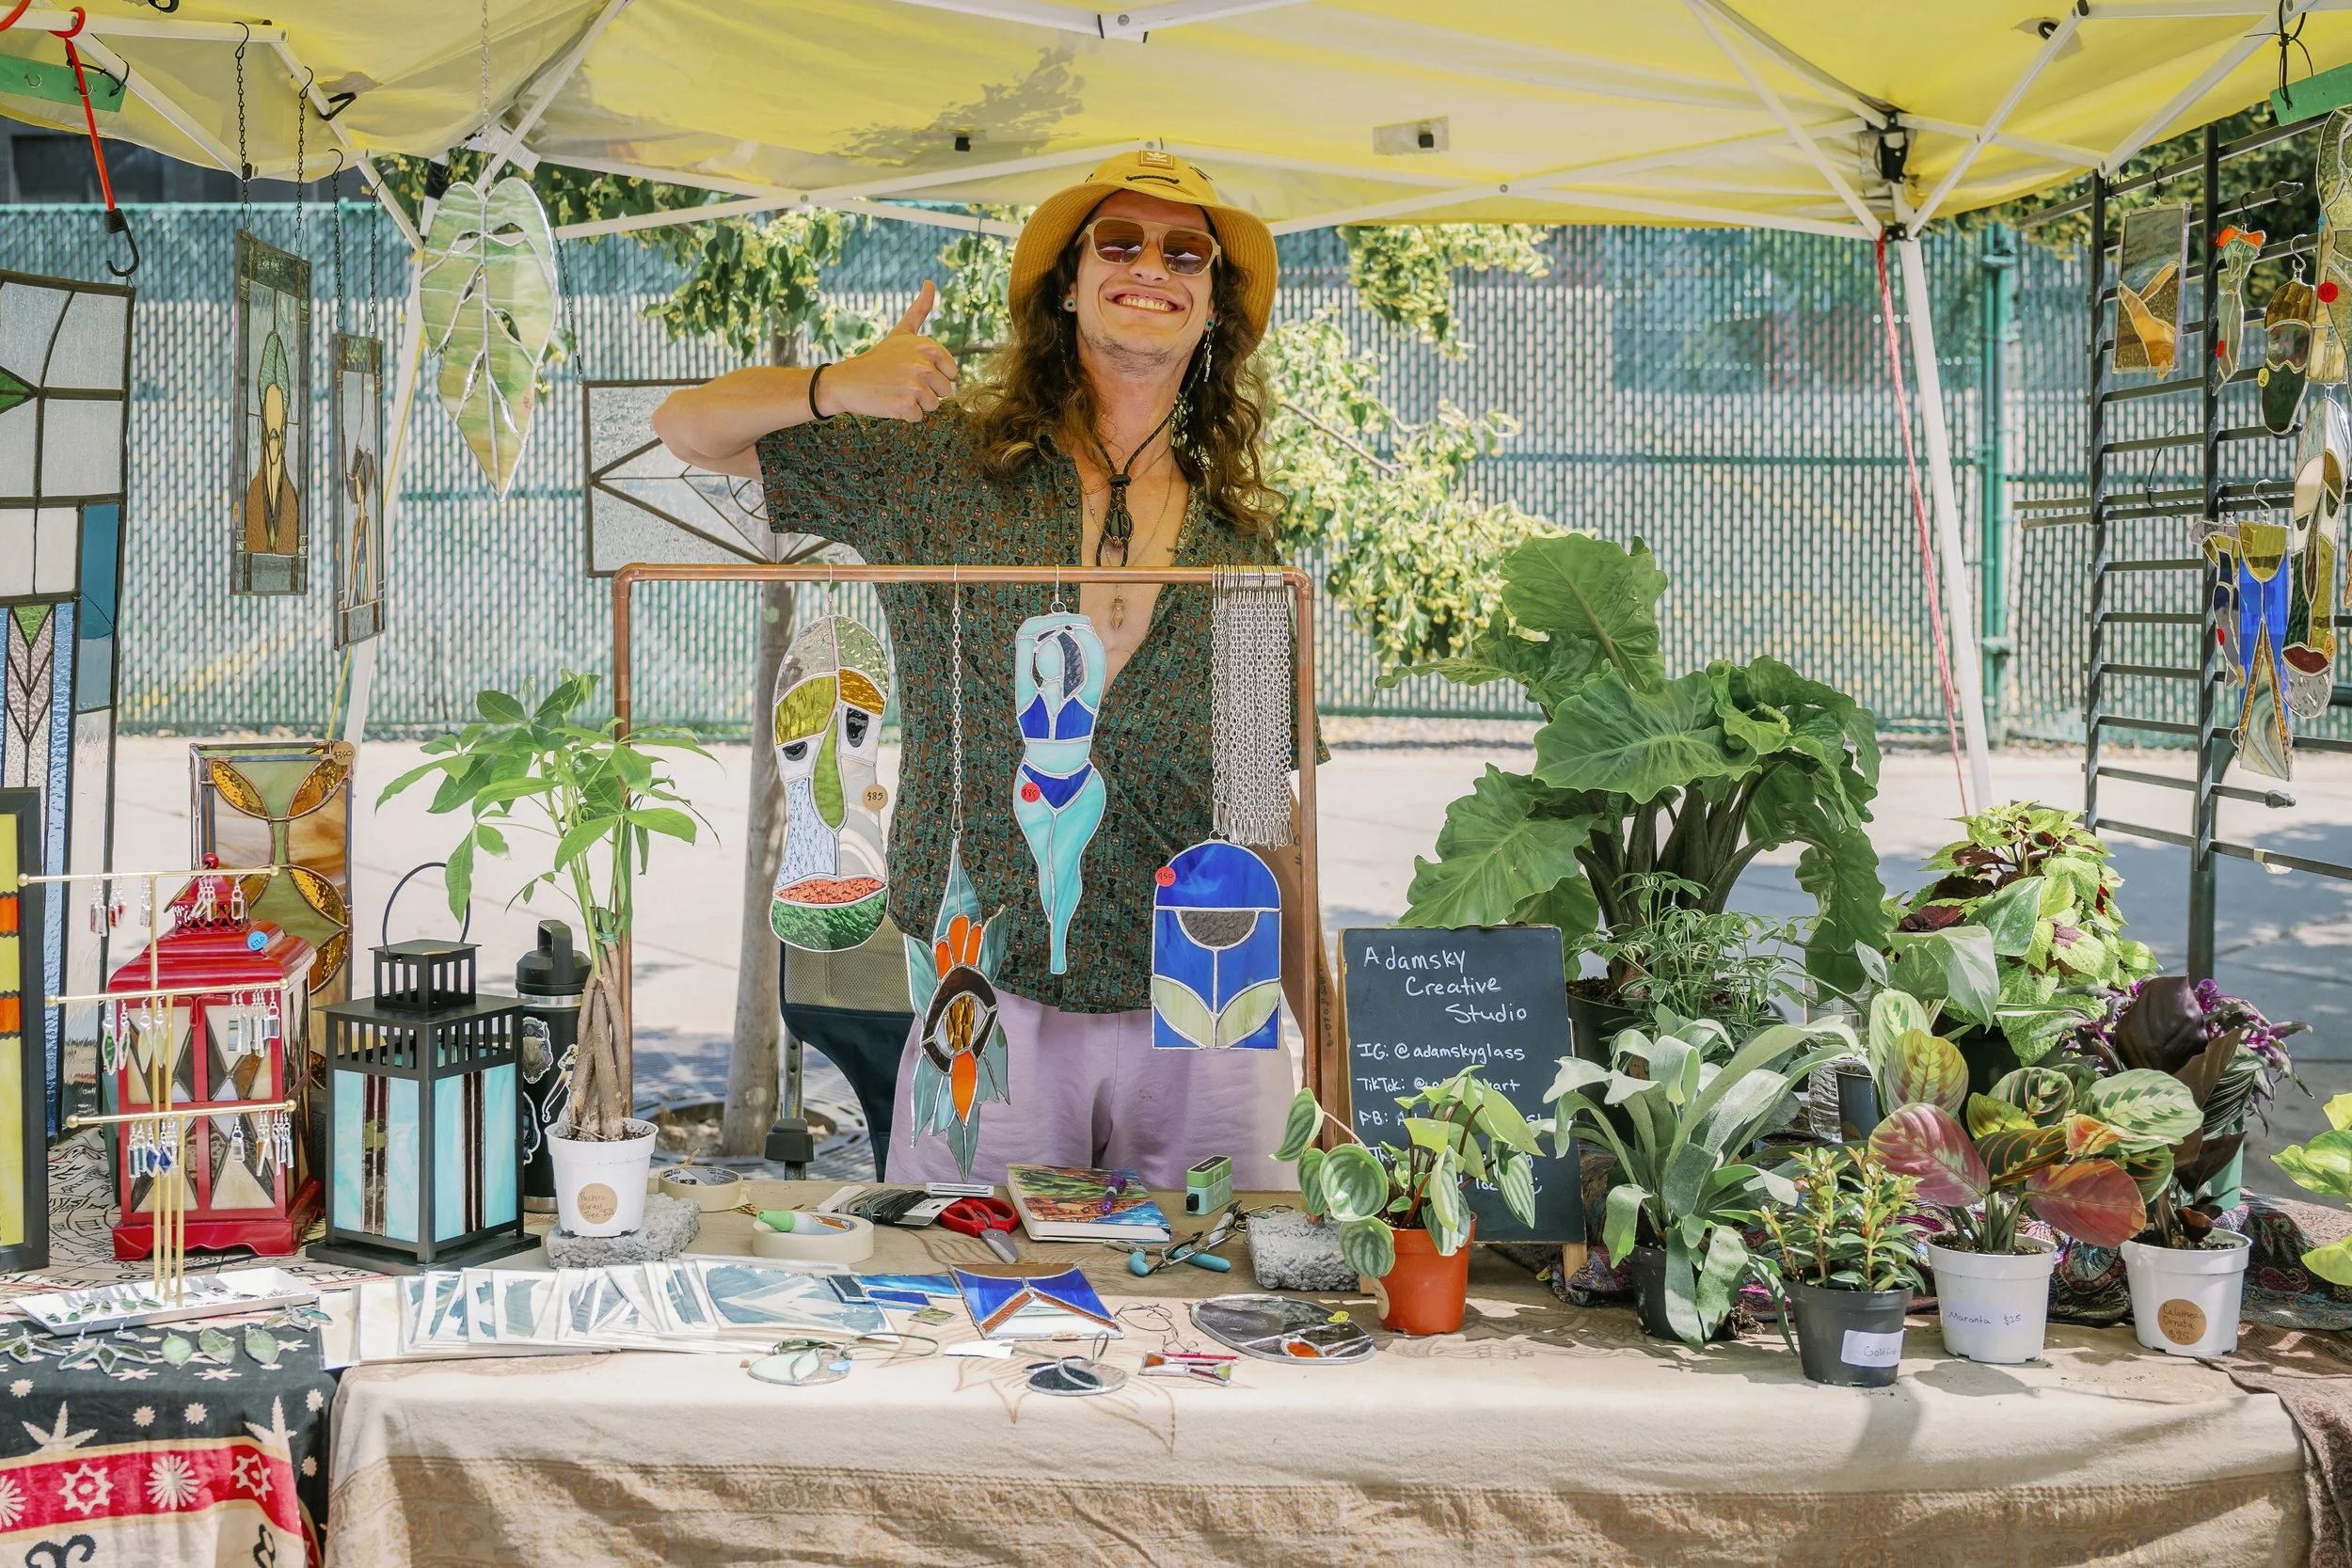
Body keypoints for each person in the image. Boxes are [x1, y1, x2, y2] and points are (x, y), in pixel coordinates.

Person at [654, 150, 1311, 1190]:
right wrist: (839, 386)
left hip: (1207, 995)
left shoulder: (1241, 548)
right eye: (1121, 241)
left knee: (1213, 1292)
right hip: (986, 986)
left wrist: (1316, 1030)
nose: (1154, 266)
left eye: (1188, 252)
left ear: (1213, 306)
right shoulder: (941, 472)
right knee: (977, 1297)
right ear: (1066, 282)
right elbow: (686, 430)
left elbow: (1258, 807)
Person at [243, 329, 300, 558]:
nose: (274, 429)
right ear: (263, 415)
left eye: (279, 414)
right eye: (270, 411)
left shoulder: (291, 498)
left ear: (286, 416)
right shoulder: (254, 492)